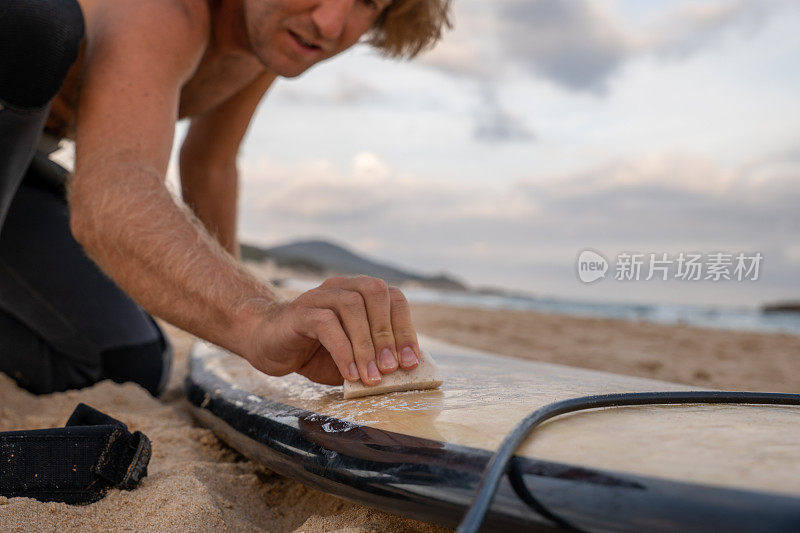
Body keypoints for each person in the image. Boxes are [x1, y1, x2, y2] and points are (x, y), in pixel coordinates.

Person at [0, 0, 452, 396]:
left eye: (368, 1)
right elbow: (113, 192)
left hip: (20, 168)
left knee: (124, 363)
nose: (330, 22)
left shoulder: (270, 36)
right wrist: (257, 319)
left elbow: (210, 163)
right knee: (33, 25)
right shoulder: (167, 10)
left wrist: (241, 338)